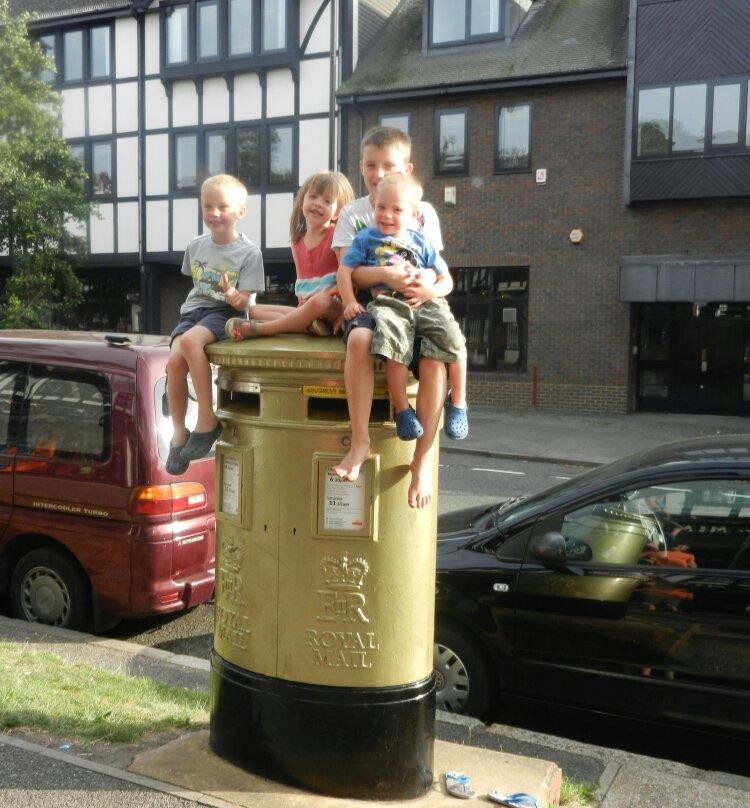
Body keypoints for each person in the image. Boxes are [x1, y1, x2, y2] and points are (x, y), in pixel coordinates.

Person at [330, 125, 468, 508]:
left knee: (435, 363)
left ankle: (421, 460)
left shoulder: (423, 214)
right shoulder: (353, 215)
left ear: (406, 169)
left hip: (418, 304)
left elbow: (436, 270)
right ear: (361, 168)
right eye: (371, 165)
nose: (378, 173)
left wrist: (428, 285)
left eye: (387, 165)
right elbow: (350, 272)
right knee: (359, 340)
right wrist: (385, 275)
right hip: (373, 304)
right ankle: (359, 443)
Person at [340, 173, 465, 447]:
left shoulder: (422, 241)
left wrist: (430, 291)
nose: (386, 214)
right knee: (394, 347)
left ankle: (458, 402)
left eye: (396, 209)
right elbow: (345, 270)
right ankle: (402, 409)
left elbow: (446, 279)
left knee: (455, 341)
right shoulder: (366, 238)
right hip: (389, 305)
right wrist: (350, 300)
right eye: (380, 207)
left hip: (424, 301)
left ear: (413, 214)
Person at [165, 173, 264, 475]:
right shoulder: (196, 246)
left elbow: (247, 303)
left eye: (222, 207)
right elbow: (196, 286)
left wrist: (234, 294)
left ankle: (206, 419)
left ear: (240, 213)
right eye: (208, 207)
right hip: (195, 311)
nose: (214, 213)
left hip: (224, 311)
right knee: (173, 364)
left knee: (191, 342)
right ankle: (179, 432)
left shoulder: (249, 253)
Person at [224, 170, 354, 341]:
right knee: (254, 310)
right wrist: (303, 304)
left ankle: (263, 329)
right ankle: (308, 326)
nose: (318, 203)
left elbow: (346, 278)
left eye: (327, 201)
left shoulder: (336, 236)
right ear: (302, 203)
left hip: (331, 306)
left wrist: (329, 303)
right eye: (313, 197)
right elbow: (302, 283)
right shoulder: (297, 243)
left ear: (337, 213)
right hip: (307, 307)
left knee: (320, 301)